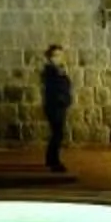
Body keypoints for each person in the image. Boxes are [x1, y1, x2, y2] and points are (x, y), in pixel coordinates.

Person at [39, 44, 74, 174]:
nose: (59, 58)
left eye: (60, 55)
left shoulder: (57, 70)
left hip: (59, 105)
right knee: (57, 134)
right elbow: (54, 88)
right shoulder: (50, 71)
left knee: (57, 133)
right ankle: (54, 161)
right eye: (56, 55)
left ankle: (51, 159)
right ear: (50, 57)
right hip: (54, 106)